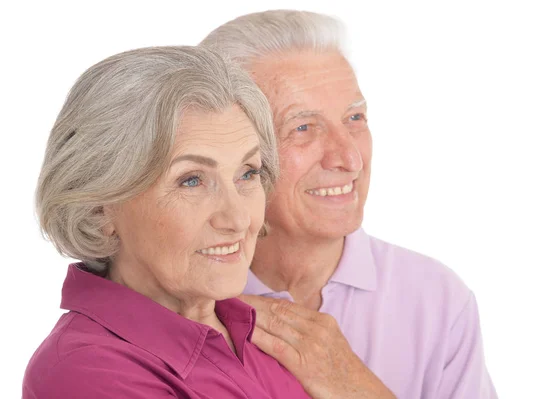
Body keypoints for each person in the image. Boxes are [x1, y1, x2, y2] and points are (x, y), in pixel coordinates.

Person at [201, 10, 498, 399]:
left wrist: (355, 386)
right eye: (303, 128)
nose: (349, 158)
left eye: (355, 118)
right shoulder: (180, 294)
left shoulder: (437, 300)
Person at [22, 45, 310, 399]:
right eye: (191, 180)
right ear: (99, 208)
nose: (237, 219)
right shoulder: (86, 373)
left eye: (247, 173)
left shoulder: (264, 327)